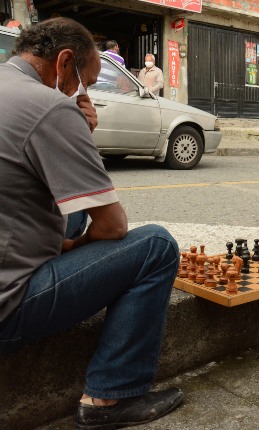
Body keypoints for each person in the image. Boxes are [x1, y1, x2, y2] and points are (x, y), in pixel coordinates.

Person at [0, 18, 183, 428]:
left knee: (77, 207)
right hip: (7, 309)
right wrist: (75, 247)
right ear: (65, 62)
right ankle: (109, 398)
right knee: (155, 247)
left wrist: (78, 131)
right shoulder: (51, 106)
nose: (83, 93)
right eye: (86, 82)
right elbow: (113, 227)